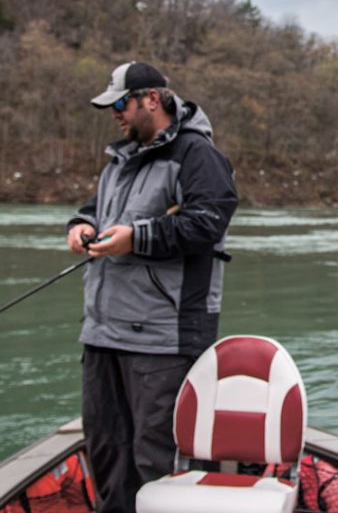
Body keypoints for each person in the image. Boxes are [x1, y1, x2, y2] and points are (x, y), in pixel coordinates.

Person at [66, 61, 238, 512]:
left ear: (152, 99)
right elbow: (95, 208)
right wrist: (81, 225)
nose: (116, 114)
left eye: (122, 103)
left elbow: (208, 222)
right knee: (106, 450)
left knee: (158, 459)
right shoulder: (119, 162)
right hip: (103, 334)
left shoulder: (197, 154)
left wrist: (136, 238)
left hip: (164, 340)